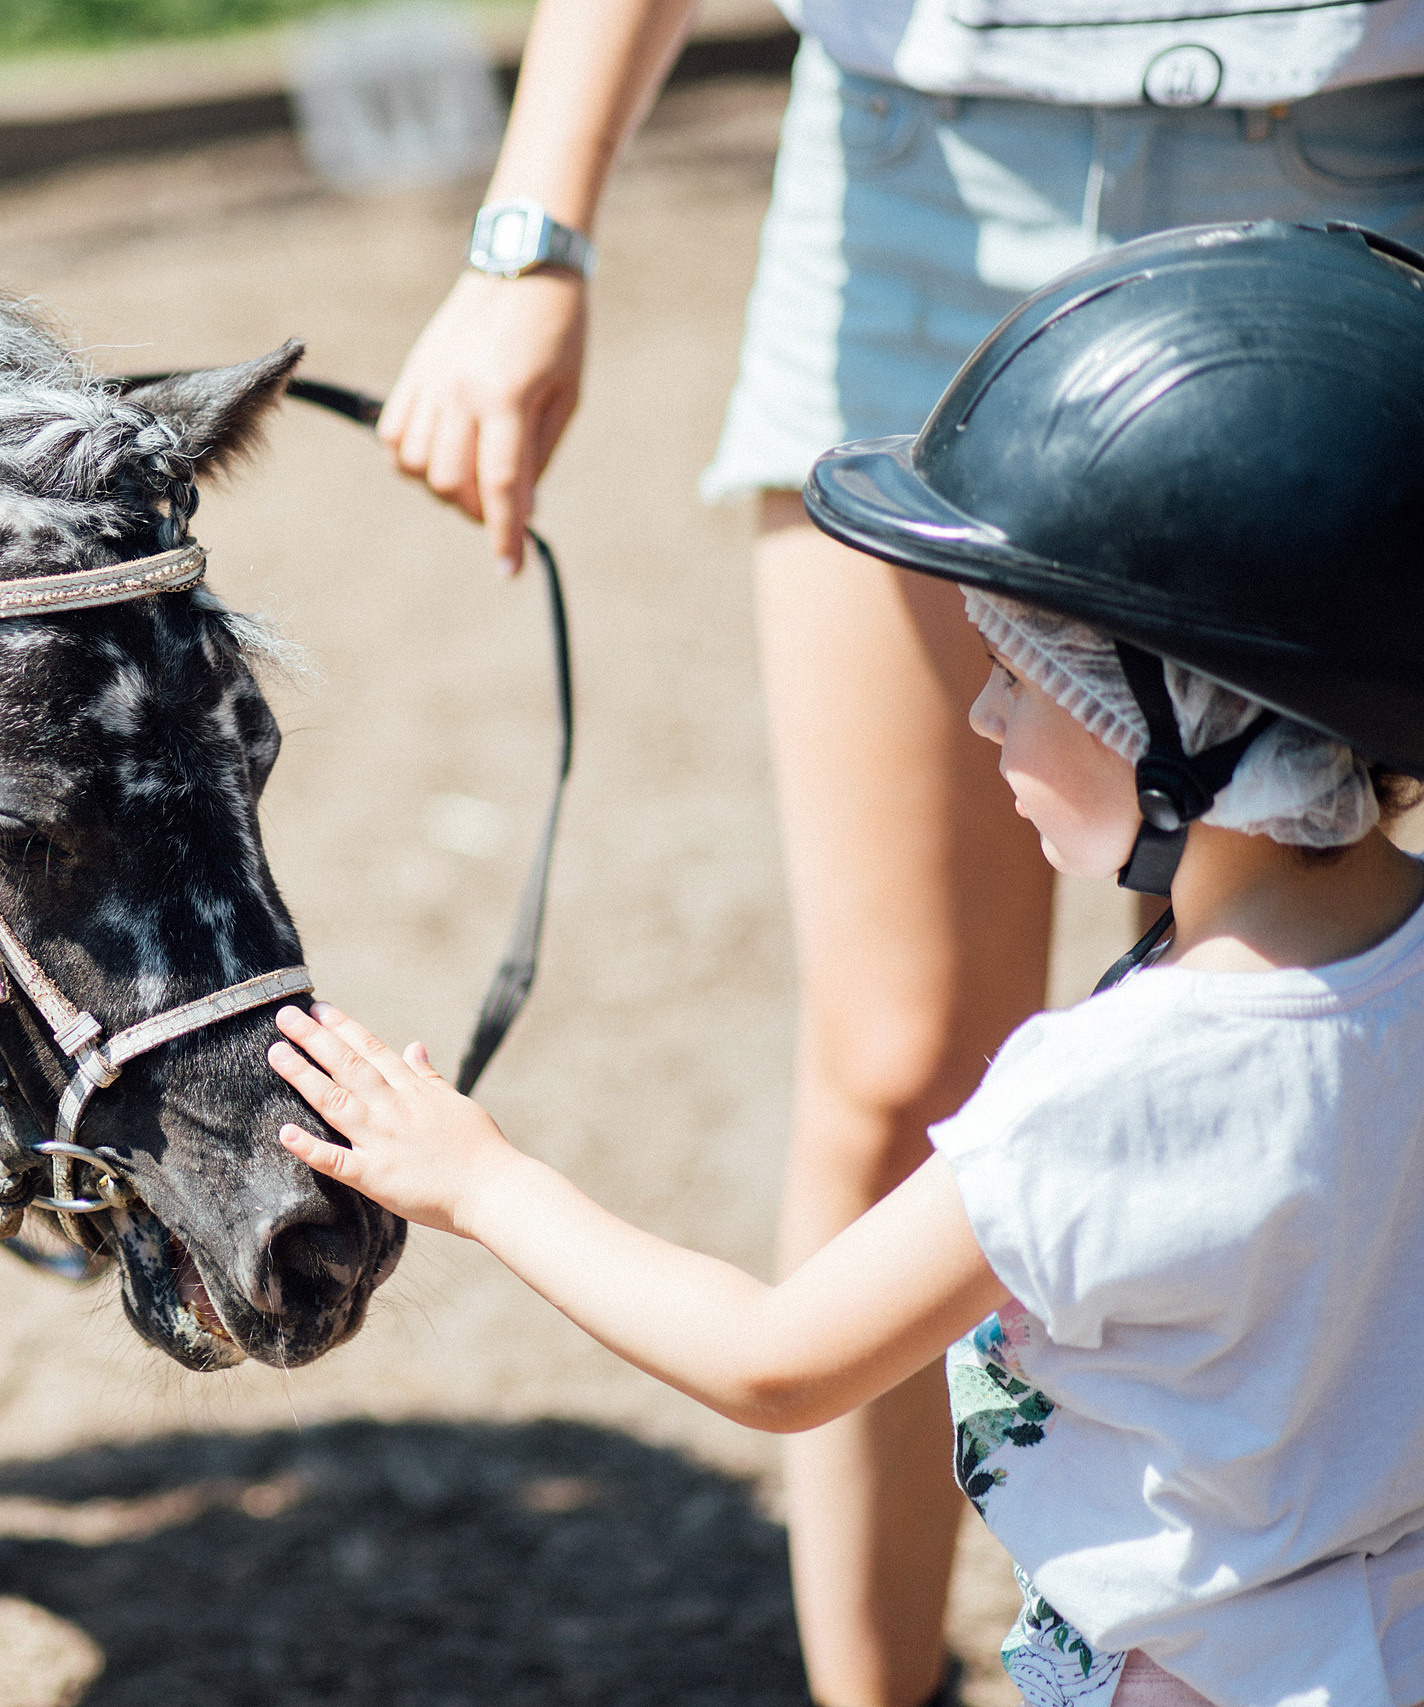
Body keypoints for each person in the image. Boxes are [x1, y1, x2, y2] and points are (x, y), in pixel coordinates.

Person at [378, 0, 1424, 1696]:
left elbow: (779, 1362)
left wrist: (483, 1179)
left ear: (1200, 737)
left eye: (1033, 681)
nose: (979, 720)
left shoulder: (1093, 1106)